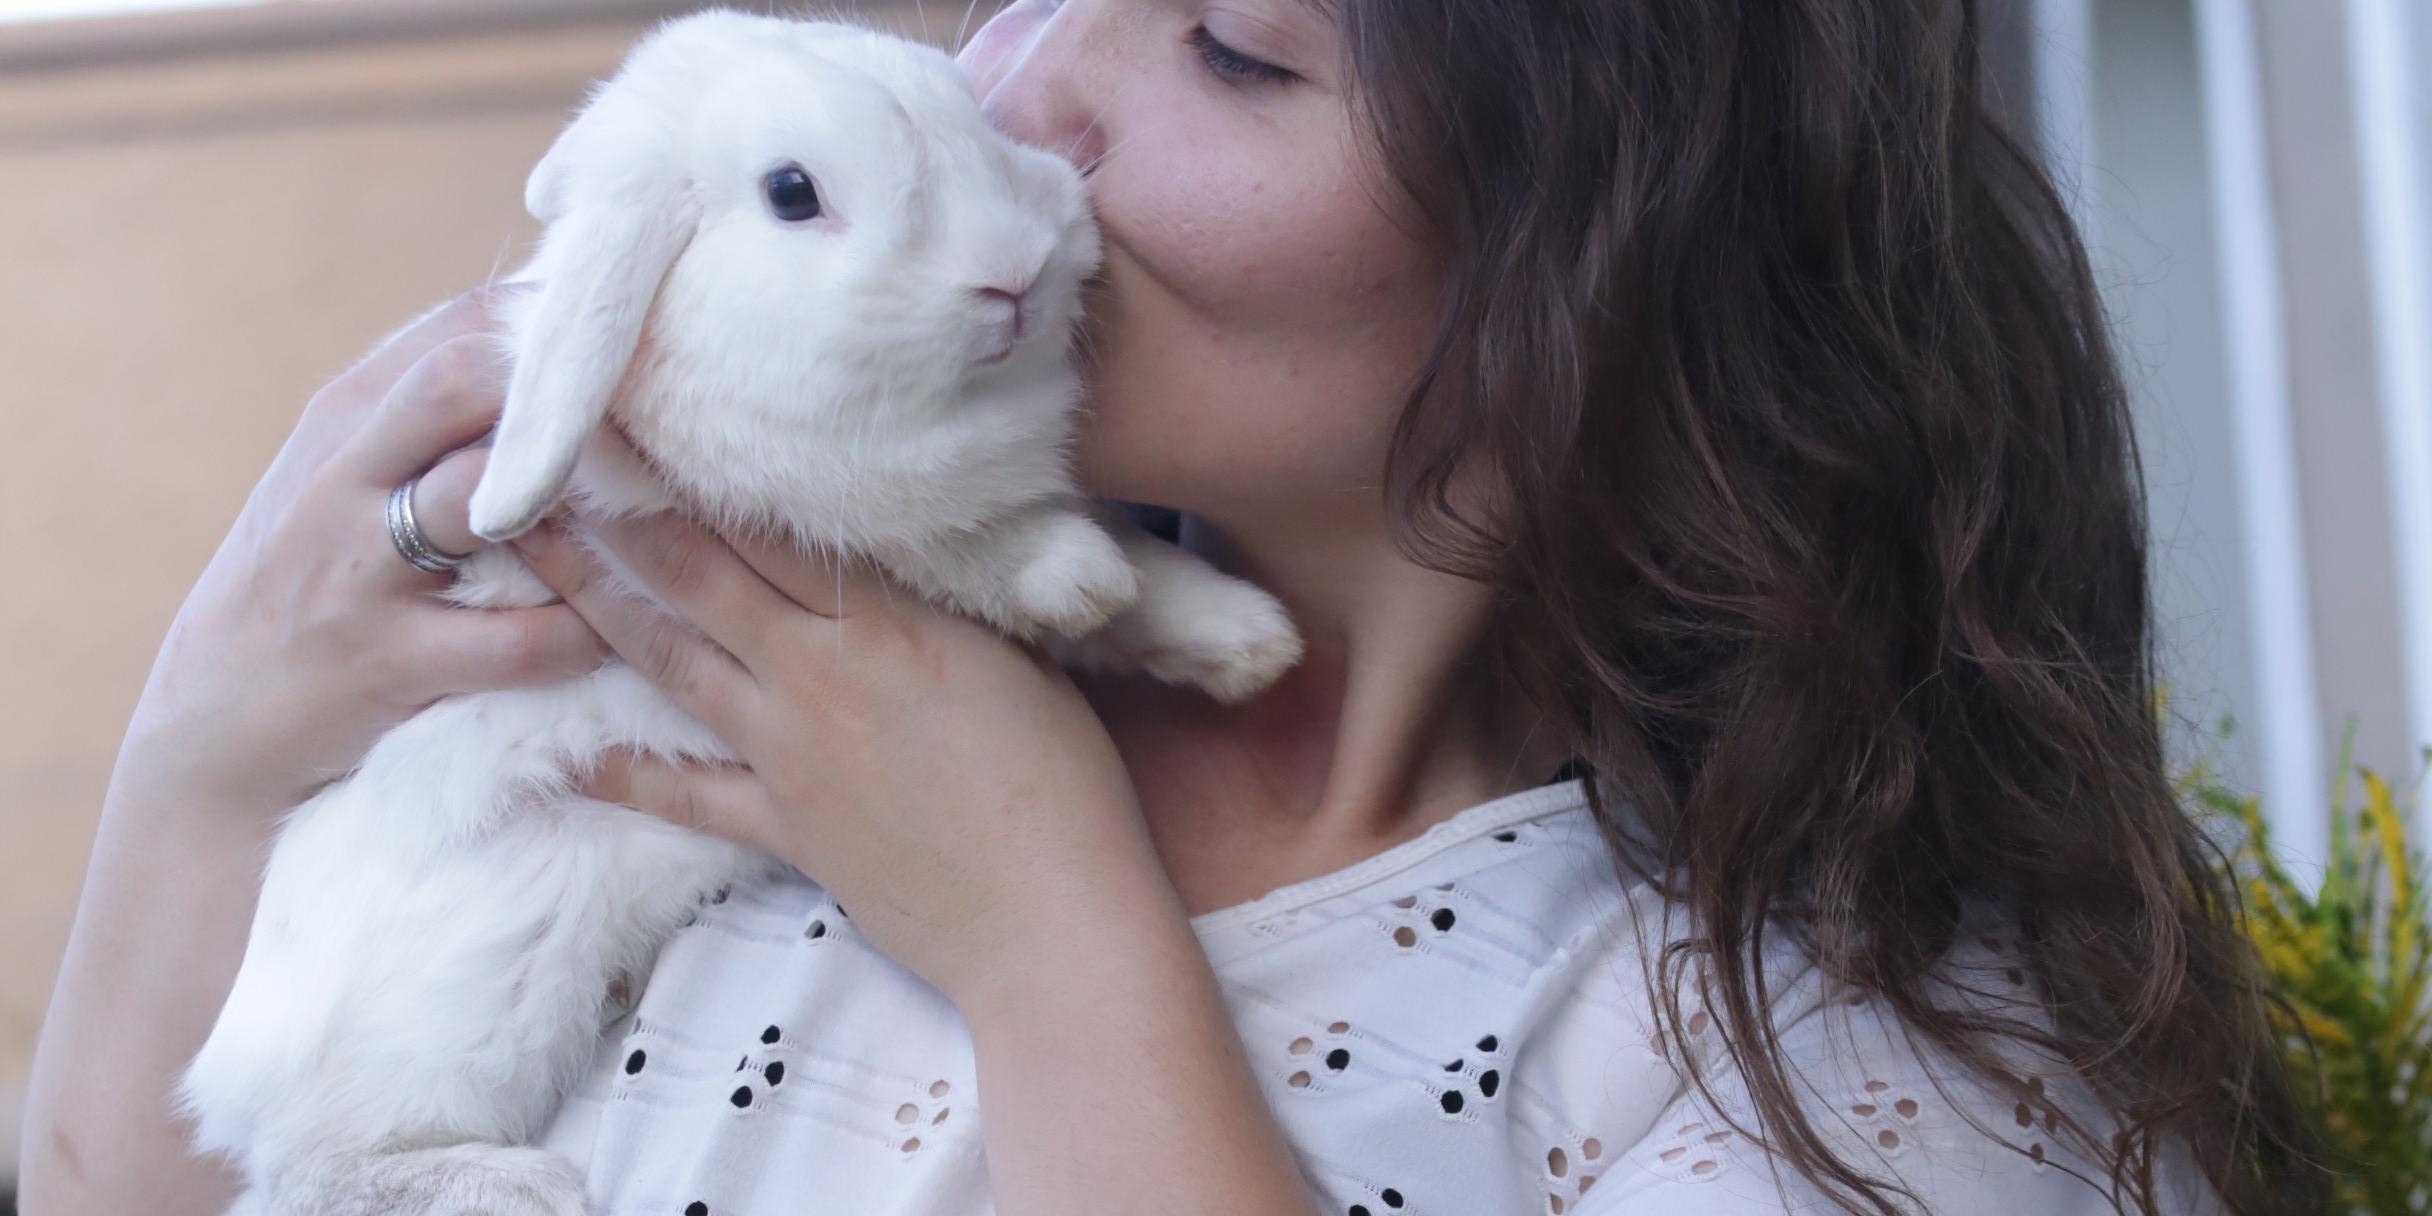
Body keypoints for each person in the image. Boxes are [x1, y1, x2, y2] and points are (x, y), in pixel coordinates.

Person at [20, 1, 2322, 1213]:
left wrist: (1047, 934)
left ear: (1609, 268)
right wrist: (206, 751)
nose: (1017, 97)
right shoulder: (757, 658)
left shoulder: (1827, 1055)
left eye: (1232, 46)